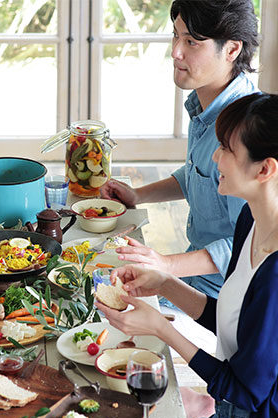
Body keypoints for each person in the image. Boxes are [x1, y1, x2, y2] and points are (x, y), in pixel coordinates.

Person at [97, 93, 278, 418]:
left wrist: (161, 328)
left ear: (265, 169)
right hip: (228, 413)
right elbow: (235, 323)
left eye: (227, 149)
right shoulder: (255, 218)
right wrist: (164, 282)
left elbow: (243, 390)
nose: (215, 157)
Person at [101, 0, 259, 299]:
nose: (175, 51)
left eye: (192, 41)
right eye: (176, 35)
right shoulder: (207, 106)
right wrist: (138, 195)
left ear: (231, 50)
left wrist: (167, 265)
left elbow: (250, 246)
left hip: (225, 297)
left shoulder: (247, 131)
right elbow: (199, 175)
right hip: (195, 278)